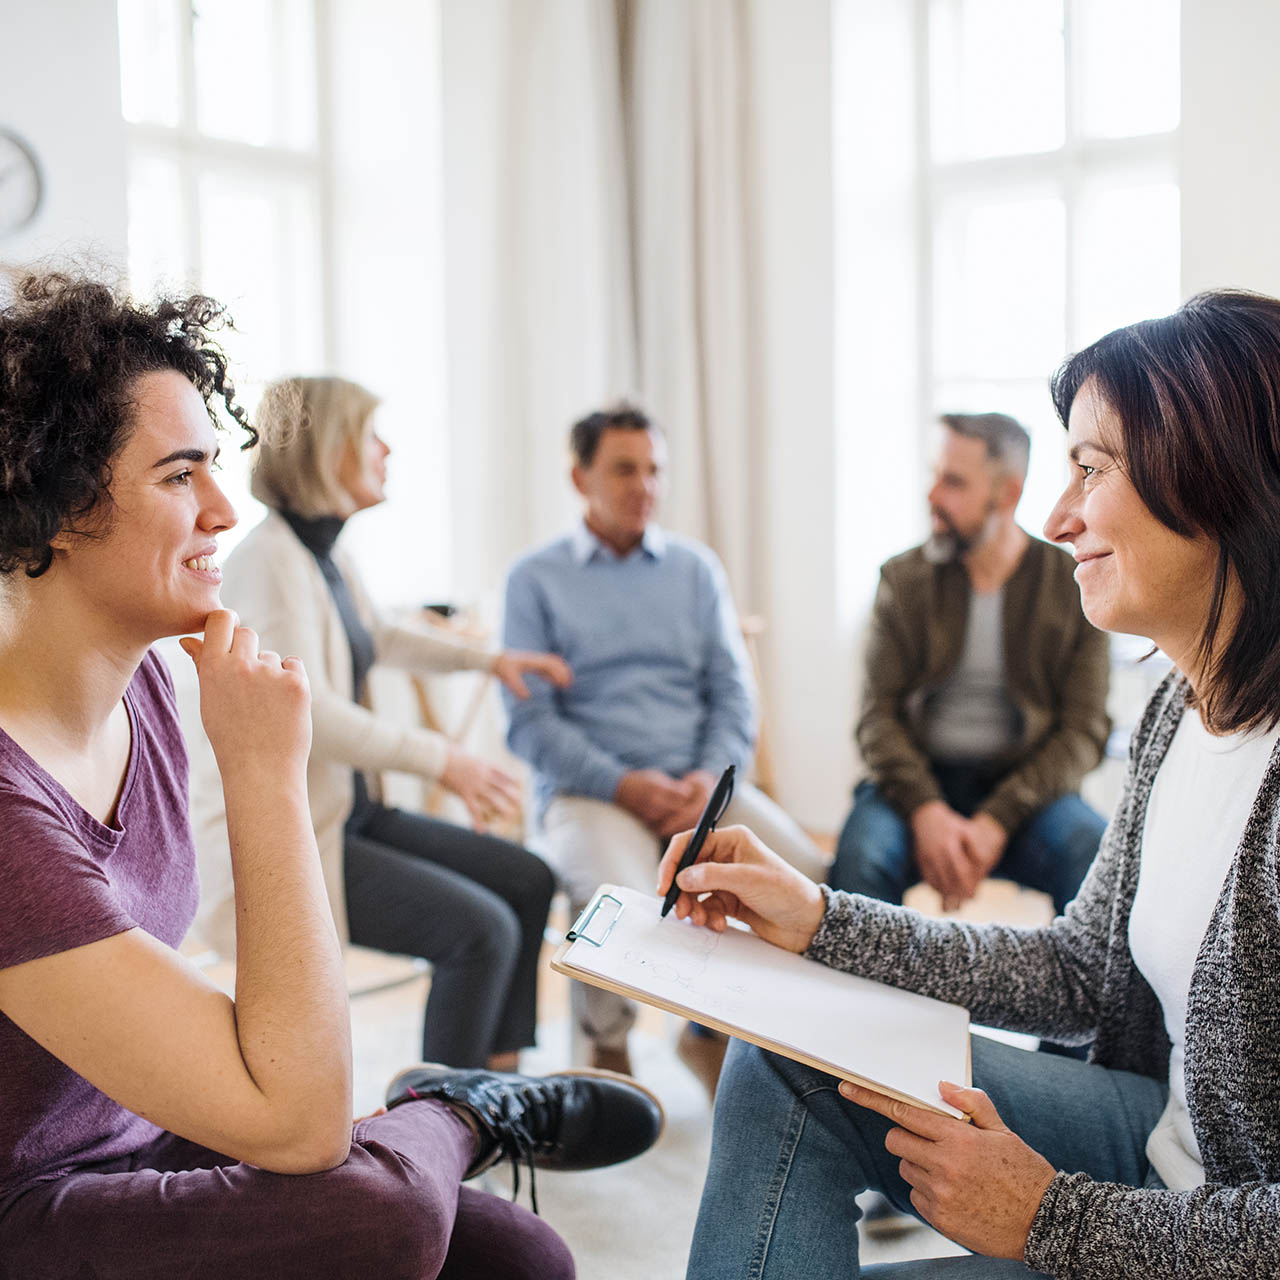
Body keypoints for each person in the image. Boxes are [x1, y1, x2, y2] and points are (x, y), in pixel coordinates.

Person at [0, 273, 663, 1280]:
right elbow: (303, 1122)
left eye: (214, 468)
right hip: (26, 1205)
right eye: (180, 477)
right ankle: (452, 1106)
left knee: (519, 1250)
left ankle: (443, 1112)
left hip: (133, 1125)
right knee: (383, 1218)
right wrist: (267, 773)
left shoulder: (145, 702)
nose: (225, 507)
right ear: (51, 508)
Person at [662, 290, 1280, 1278]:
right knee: (784, 1045)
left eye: (1088, 467)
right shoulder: (1178, 707)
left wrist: (1050, 1215)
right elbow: (1080, 971)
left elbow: (1066, 736)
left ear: (1216, 479)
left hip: (1201, 1226)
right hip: (1156, 1147)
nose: (1057, 514)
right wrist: (816, 915)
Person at [190, 376, 572, 1071]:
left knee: (526, 879)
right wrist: (444, 760)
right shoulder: (269, 563)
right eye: (370, 435)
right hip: (300, 837)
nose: (386, 449)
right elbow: (308, 710)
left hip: (352, 813)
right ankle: (439, 1121)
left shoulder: (323, 552)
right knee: (480, 932)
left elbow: (380, 635)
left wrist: (491, 660)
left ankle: (501, 1086)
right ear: (326, 449)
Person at [502, 403, 829, 1083]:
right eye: (624, 469)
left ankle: (712, 1029)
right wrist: (624, 784)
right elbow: (530, 725)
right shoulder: (534, 578)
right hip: (593, 791)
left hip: (697, 785)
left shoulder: (695, 569)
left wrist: (708, 778)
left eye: (655, 470)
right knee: (614, 897)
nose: (643, 486)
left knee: (802, 870)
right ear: (579, 476)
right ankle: (609, 1044)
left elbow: (735, 693)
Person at [830, 412, 1111, 918]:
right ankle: (867, 1001)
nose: (933, 495)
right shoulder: (902, 579)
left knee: (1093, 854)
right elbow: (877, 718)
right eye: (934, 474)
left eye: (953, 482)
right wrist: (927, 811)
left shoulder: (1071, 584)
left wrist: (996, 820)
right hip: (914, 782)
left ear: (1007, 495)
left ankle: (1080, 998)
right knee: (859, 865)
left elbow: (1083, 730)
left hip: (1025, 788)